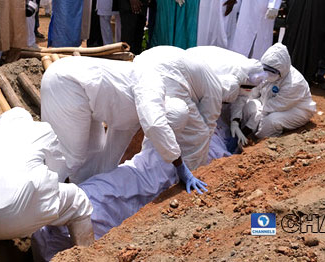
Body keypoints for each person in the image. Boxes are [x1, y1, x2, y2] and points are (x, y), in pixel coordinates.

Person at [31, 96, 252, 261]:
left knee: (100, 199)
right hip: (126, 188)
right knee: (101, 204)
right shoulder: (194, 143)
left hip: (118, 185)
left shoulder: (164, 139)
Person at [39, 52, 223, 186]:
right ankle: (42, 211)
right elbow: (154, 124)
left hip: (86, 97)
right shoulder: (152, 85)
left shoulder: (132, 115)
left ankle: (81, 195)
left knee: (94, 158)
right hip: (66, 84)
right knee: (70, 159)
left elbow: (112, 153)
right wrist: (179, 164)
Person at [0, 108, 94, 262]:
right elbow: (57, 171)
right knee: (78, 200)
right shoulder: (40, 129)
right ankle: (85, 258)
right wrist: (42, 210)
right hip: (18, 212)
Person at [256, 43, 316, 138]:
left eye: (272, 71)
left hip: (296, 109)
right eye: (265, 69)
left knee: (271, 122)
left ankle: (262, 141)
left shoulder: (294, 83)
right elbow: (256, 91)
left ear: (282, 69)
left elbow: (279, 105)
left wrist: (255, 118)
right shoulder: (266, 71)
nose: (267, 74)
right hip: (269, 104)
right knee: (251, 109)